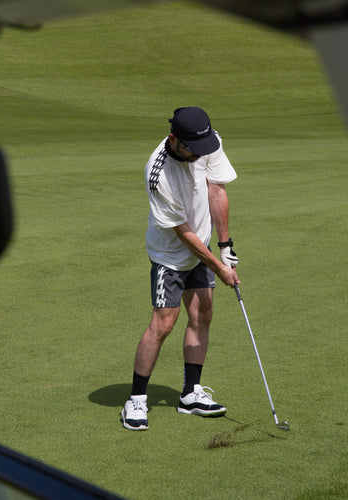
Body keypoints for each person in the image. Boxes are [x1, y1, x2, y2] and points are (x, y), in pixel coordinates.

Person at [122, 107, 240, 431]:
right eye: (192, 149)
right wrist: (218, 268)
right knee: (164, 323)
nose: (199, 154)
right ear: (174, 139)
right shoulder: (157, 173)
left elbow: (216, 191)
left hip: (202, 247)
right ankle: (136, 399)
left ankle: (191, 394)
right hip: (170, 255)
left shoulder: (206, 141)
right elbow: (182, 233)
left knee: (203, 314)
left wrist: (226, 246)